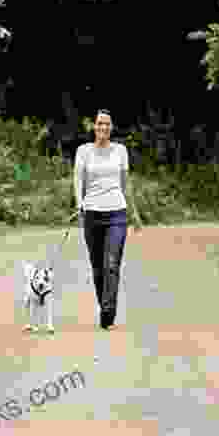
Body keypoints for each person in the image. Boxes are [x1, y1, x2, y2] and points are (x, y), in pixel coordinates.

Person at [74, 109, 143, 331]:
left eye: (107, 124)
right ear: (94, 127)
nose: (103, 127)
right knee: (98, 268)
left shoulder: (120, 151)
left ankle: (107, 314)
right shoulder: (83, 151)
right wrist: (79, 204)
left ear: (111, 127)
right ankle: (104, 306)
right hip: (92, 214)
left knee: (111, 264)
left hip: (117, 213)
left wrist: (134, 213)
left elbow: (126, 183)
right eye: (99, 123)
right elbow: (78, 180)